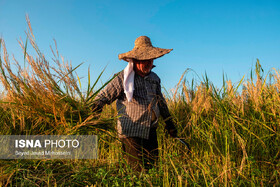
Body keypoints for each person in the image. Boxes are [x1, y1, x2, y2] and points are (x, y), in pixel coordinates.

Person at [93, 36, 177, 171]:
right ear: (135, 60)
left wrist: (169, 123)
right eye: (145, 60)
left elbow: (160, 102)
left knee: (153, 168)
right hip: (131, 132)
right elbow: (104, 96)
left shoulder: (154, 78)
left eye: (151, 60)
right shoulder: (123, 78)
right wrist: (94, 109)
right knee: (137, 172)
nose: (149, 63)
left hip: (151, 131)